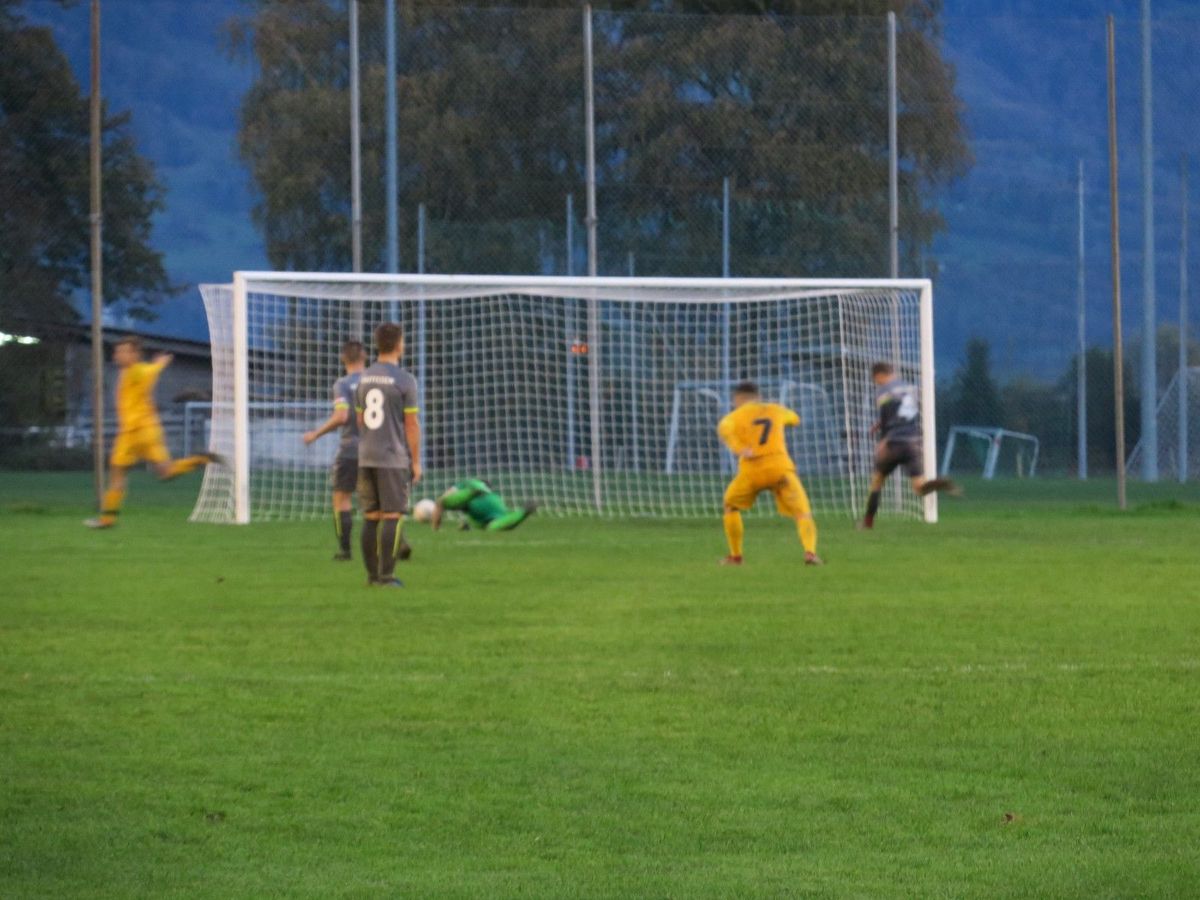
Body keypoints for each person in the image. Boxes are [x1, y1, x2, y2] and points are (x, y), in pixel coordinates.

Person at [85, 337, 222, 529]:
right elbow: (151, 371)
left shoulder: (136, 371)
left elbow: (147, 373)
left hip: (139, 433)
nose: (118, 355)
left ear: (134, 354)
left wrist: (158, 365)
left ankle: (107, 520)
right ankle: (200, 459)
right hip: (140, 431)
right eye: (117, 351)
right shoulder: (128, 372)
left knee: (118, 475)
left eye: (123, 351)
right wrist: (158, 365)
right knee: (164, 473)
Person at [716, 381, 822, 567]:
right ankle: (810, 553)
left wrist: (740, 448)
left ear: (738, 399)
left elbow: (725, 429)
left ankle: (736, 556)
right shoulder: (775, 409)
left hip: (752, 470)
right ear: (758, 397)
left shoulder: (733, 417)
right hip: (780, 469)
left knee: (730, 506)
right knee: (803, 513)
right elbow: (795, 418)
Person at [355, 323, 421, 587]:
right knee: (393, 516)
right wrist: (415, 461)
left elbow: (360, 419)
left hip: (365, 455)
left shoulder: (364, 377)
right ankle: (387, 576)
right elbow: (412, 425)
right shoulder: (405, 380)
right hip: (392, 457)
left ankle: (372, 577)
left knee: (371, 517)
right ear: (398, 344)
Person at [860, 362, 957, 529]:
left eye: (875, 379)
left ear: (879, 375)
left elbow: (886, 416)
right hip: (913, 441)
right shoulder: (910, 389)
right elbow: (904, 413)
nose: (876, 382)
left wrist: (882, 440)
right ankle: (940, 483)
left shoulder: (883, 391)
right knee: (919, 488)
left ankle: (867, 522)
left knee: (877, 482)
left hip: (894, 443)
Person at [302, 341, 367, 561]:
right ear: (365, 356)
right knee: (381, 502)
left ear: (343, 358)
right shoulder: (377, 381)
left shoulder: (343, 384)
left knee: (342, 500)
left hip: (351, 449)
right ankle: (396, 544)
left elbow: (342, 416)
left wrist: (315, 434)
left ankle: (345, 551)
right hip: (378, 449)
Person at [430, 478, 537, 532]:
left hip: (473, 495)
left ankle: (472, 492)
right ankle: (522, 513)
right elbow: (477, 520)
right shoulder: (495, 496)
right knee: (493, 526)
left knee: (442, 502)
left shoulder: (465, 483)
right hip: (496, 507)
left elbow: (443, 499)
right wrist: (466, 527)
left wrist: (436, 527)